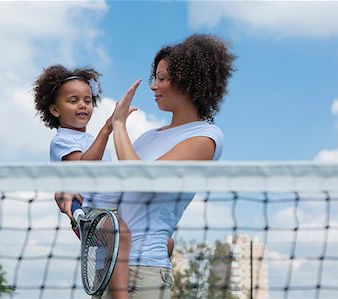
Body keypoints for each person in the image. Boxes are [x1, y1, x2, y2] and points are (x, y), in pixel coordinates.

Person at [106, 34, 236, 299]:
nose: (153, 86)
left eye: (162, 78)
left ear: (188, 83)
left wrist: (118, 125)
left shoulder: (205, 137)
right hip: (112, 269)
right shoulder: (146, 138)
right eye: (155, 77)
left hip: (144, 273)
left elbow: (141, 180)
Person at [33, 65, 132, 299]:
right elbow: (85, 166)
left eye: (87, 100)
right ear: (55, 109)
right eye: (74, 100)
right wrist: (108, 129)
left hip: (110, 210)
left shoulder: (88, 139)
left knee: (165, 243)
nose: (83, 105)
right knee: (122, 235)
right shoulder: (62, 140)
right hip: (90, 215)